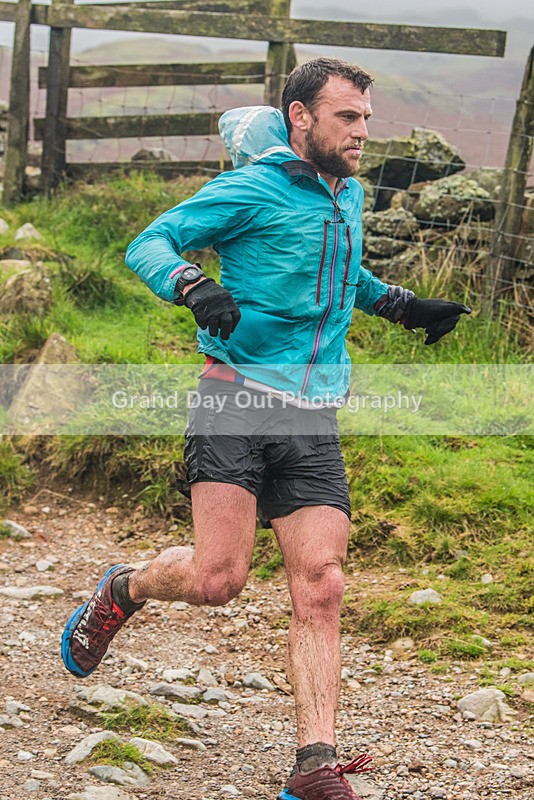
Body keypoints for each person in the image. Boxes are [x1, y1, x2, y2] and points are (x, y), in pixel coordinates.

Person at [61, 58, 470, 800]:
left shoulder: (350, 195)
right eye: (347, 117)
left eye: (367, 118)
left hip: (313, 414)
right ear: (300, 118)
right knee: (219, 580)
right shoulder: (250, 188)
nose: (362, 133)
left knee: (323, 583)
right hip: (235, 402)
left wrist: (406, 306)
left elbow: (345, 277)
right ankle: (124, 589)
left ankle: (315, 764)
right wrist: (193, 284)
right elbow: (151, 242)